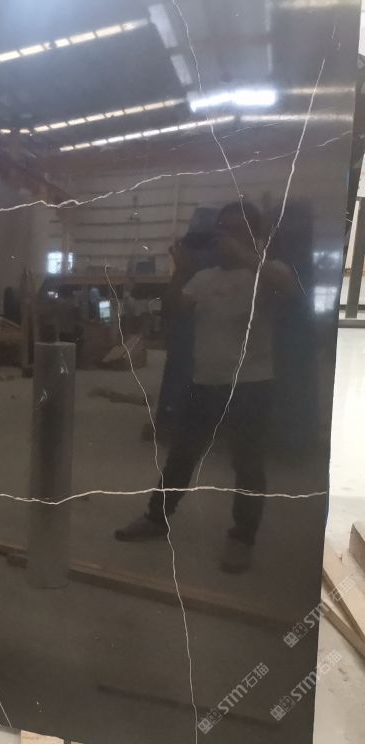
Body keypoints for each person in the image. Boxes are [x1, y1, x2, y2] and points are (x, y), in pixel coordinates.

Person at [114, 201, 297, 573]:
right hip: (205, 384)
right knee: (182, 455)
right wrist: (181, 273)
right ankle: (156, 518)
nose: (223, 236)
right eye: (222, 229)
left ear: (255, 235)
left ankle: (242, 539)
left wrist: (245, 256)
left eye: (235, 229)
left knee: (247, 464)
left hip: (251, 386)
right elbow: (171, 311)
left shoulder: (268, 271)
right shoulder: (205, 278)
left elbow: (289, 292)